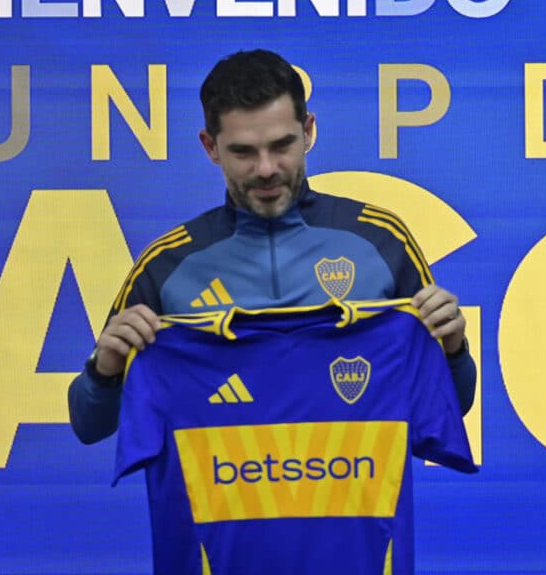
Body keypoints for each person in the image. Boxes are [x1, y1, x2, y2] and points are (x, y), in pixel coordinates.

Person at [68, 48, 475, 446]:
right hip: (219, 512)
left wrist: (454, 350)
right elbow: (89, 425)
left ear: (308, 131)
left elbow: (451, 404)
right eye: (243, 151)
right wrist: (104, 371)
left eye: (282, 145)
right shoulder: (166, 264)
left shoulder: (381, 240)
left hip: (355, 511)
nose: (265, 169)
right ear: (210, 147)